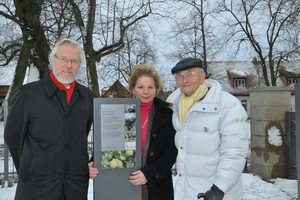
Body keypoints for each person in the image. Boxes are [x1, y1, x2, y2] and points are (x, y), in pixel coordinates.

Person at [4, 38, 95, 200]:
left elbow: (84, 133)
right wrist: (30, 169)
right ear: (52, 60)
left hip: (75, 188)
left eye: (74, 61)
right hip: (37, 189)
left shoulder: (87, 97)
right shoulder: (27, 95)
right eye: (63, 59)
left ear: (79, 65)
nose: (68, 65)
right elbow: (13, 137)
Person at [89, 64, 178, 200]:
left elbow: (171, 153)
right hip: (123, 184)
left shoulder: (166, 114)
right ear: (133, 89)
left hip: (156, 187)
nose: (146, 91)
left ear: (156, 89)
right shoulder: (120, 111)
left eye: (150, 87)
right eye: (140, 87)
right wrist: (95, 161)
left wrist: (149, 174)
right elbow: (107, 142)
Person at [166, 58, 249, 200]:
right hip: (186, 191)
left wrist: (219, 188)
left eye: (190, 74)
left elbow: (234, 152)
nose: (184, 79)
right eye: (179, 75)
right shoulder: (175, 106)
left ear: (202, 77)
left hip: (216, 193)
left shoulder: (227, 105)